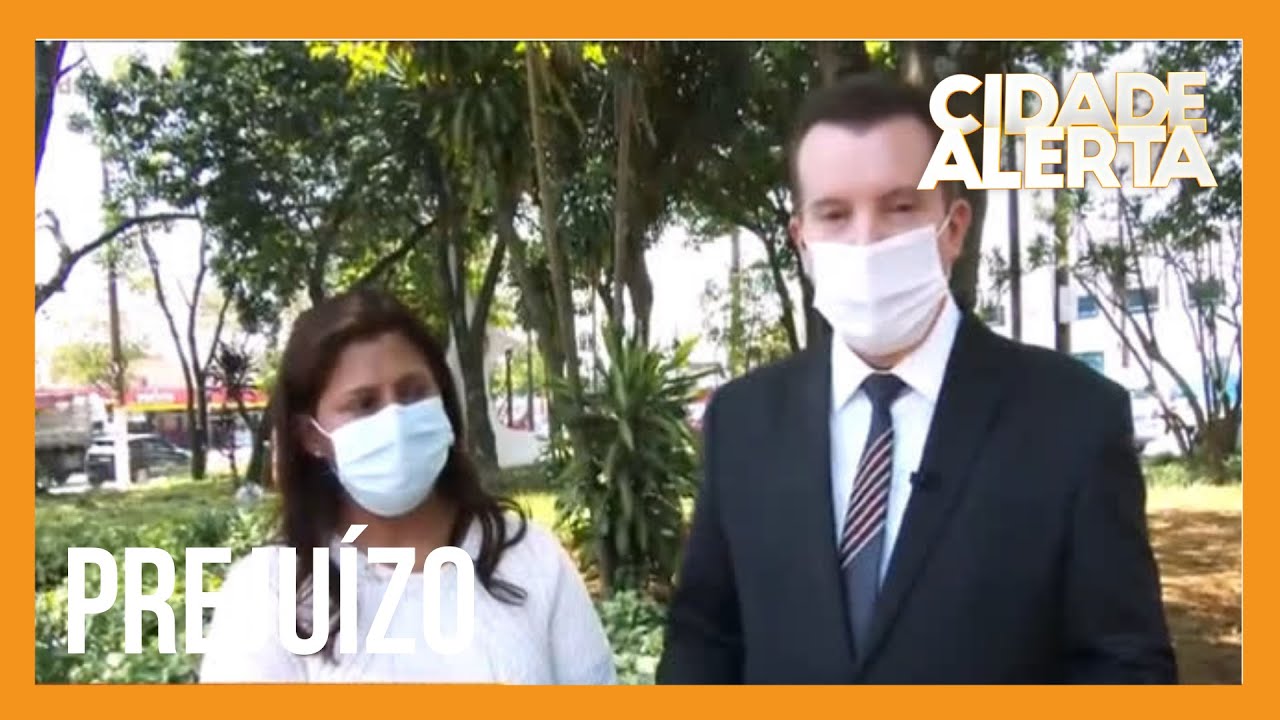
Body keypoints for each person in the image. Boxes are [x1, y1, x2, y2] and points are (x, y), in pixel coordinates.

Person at [656, 73, 1177, 684]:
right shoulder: (742, 421)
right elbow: (704, 636)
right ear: (802, 241)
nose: (866, 240)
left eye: (900, 207)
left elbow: (1125, 664)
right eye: (834, 214)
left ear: (953, 228)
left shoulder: (1074, 420)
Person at [200, 288, 615, 684]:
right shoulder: (267, 596)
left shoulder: (531, 560)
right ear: (312, 437)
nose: (396, 420)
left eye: (414, 392)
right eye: (364, 404)